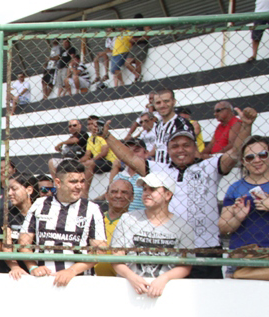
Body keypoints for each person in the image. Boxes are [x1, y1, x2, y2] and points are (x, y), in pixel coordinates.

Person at [103, 107, 256, 279]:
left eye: (186, 145)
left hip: (206, 248)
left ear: (195, 147)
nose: (180, 149)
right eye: (175, 146)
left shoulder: (210, 166)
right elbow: (129, 158)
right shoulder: (159, 168)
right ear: (168, 150)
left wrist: (246, 126)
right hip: (170, 247)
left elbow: (235, 153)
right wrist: (106, 135)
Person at [18, 159, 107, 286]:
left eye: (82, 181)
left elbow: (100, 250)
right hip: (43, 279)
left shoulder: (92, 209)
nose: (79, 186)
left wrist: (72, 271)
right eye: (73, 181)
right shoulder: (40, 204)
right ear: (58, 183)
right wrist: (33, 267)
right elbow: (24, 242)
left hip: (79, 281)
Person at [111, 172, 194, 296]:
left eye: (153, 189)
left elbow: (186, 265)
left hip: (166, 291)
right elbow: (116, 258)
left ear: (168, 195)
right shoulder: (127, 219)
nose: (146, 193)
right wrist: (132, 277)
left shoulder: (183, 227)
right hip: (129, 289)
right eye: (144, 189)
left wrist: (164, 279)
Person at [219, 135, 269, 280]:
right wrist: (237, 217)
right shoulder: (235, 188)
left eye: (263, 155)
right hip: (241, 257)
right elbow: (223, 227)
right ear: (243, 162)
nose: (257, 160)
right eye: (250, 157)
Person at [2, 174, 40, 277]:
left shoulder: (42, 213)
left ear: (29, 190)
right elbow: (6, 246)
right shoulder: (6, 214)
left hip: (40, 268)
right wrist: (15, 267)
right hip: (13, 269)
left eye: (14, 189)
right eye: (8, 189)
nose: (9, 193)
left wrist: (35, 268)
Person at [94, 179, 134, 276]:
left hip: (123, 279)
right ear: (106, 195)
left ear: (132, 197)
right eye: (114, 192)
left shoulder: (135, 223)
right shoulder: (96, 219)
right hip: (93, 278)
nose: (119, 195)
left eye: (124, 192)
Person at [152, 89, 191, 165]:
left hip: (176, 171)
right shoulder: (158, 126)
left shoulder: (181, 124)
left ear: (174, 102)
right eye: (158, 103)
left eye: (166, 101)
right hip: (159, 171)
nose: (162, 105)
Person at [108, 138, 148, 211]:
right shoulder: (118, 177)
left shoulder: (150, 175)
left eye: (136, 151)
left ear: (146, 153)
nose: (131, 154)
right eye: (128, 151)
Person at [80, 115, 116, 195]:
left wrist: (92, 160)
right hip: (99, 162)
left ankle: (85, 192)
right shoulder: (90, 139)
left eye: (93, 124)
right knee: (79, 165)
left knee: (89, 163)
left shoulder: (102, 135)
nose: (91, 126)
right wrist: (77, 162)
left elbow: (104, 152)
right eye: (89, 124)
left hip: (109, 162)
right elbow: (87, 155)